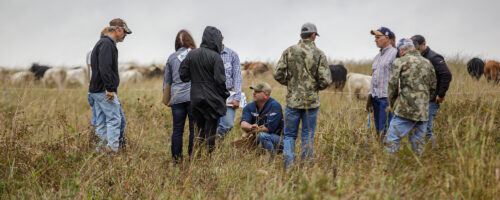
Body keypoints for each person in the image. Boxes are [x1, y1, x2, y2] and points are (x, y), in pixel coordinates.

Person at [274, 22, 332, 168]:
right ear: (313, 36)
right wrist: (314, 87)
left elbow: (277, 74)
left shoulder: (289, 51)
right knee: (307, 135)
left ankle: (289, 165)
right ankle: (306, 167)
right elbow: (326, 80)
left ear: (300, 35)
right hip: (311, 102)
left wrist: (290, 84)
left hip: (292, 101)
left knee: (289, 135)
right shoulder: (319, 54)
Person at [179, 26, 229, 153]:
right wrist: (225, 94)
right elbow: (220, 80)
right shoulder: (216, 57)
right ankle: (209, 158)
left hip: (195, 98)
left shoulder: (192, 54)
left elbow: (183, 76)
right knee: (211, 131)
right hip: (212, 100)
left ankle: (196, 157)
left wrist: (195, 78)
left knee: (198, 130)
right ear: (216, 40)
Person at [385, 38, 437, 153]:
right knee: (418, 145)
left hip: (405, 110)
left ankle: (389, 167)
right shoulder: (427, 62)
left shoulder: (400, 62)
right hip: (423, 111)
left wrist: (393, 105)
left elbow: (392, 85)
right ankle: (417, 167)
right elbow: (433, 87)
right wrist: (424, 101)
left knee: (391, 140)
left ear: (401, 50)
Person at [89, 18, 132, 152]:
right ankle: (112, 152)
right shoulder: (107, 44)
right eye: (124, 32)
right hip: (103, 90)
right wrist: (110, 88)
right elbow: (105, 67)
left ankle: (100, 152)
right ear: (118, 29)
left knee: (101, 122)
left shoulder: (103, 43)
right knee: (115, 120)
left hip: (97, 90)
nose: (125, 35)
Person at [411, 35, 452, 144]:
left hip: (431, 100)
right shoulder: (418, 58)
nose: (415, 50)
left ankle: (433, 153)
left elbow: (446, 74)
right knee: (419, 128)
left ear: (424, 44)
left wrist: (441, 94)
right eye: (413, 48)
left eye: (417, 47)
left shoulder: (433, 57)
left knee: (425, 130)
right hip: (420, 100)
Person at [162, 30, 197, 162]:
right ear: (191, 41)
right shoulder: (194, 54)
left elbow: (167, 81)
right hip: (193, 97)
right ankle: (192, 157)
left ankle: (177, 159)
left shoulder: (171, 57)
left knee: (177, 130)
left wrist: (167, 99)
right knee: (194, 129)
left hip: (176, 98)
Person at [366, 27, 398, 141]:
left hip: (387, 98)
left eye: (378, 37)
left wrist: (395, 98)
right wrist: (370, 96)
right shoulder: (377, 57)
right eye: (375, 37)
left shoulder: (395, 54)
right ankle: (381, 153)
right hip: (376, 98)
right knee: (379, 129)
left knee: (387, 129)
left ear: (387, 38)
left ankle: (388, 154)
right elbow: (374, 77)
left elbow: (399, 77)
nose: (375, 40)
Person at [240, 82, 283, 155]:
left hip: (278, 139)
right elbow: (243, 124)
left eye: (257, 92)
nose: (254, 93)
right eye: (254, 91)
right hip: (258, 137)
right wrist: (250, 127)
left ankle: (271, 160)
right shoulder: (249, 107)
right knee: (237, 146)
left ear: (266, 95)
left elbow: (267, 129)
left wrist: (248, 132)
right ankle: (259, 157)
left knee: (262, 135)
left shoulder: (275, 106)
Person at [217, 35, 243, 140]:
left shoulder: (232, 55)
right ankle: (214, 150)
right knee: (213, 123)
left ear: (222, 38)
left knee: (227, 124)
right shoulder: (209, 54)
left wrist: (237, 98)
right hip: (212, 93)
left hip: (228, 94)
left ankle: (214, 141)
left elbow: (237, 77)